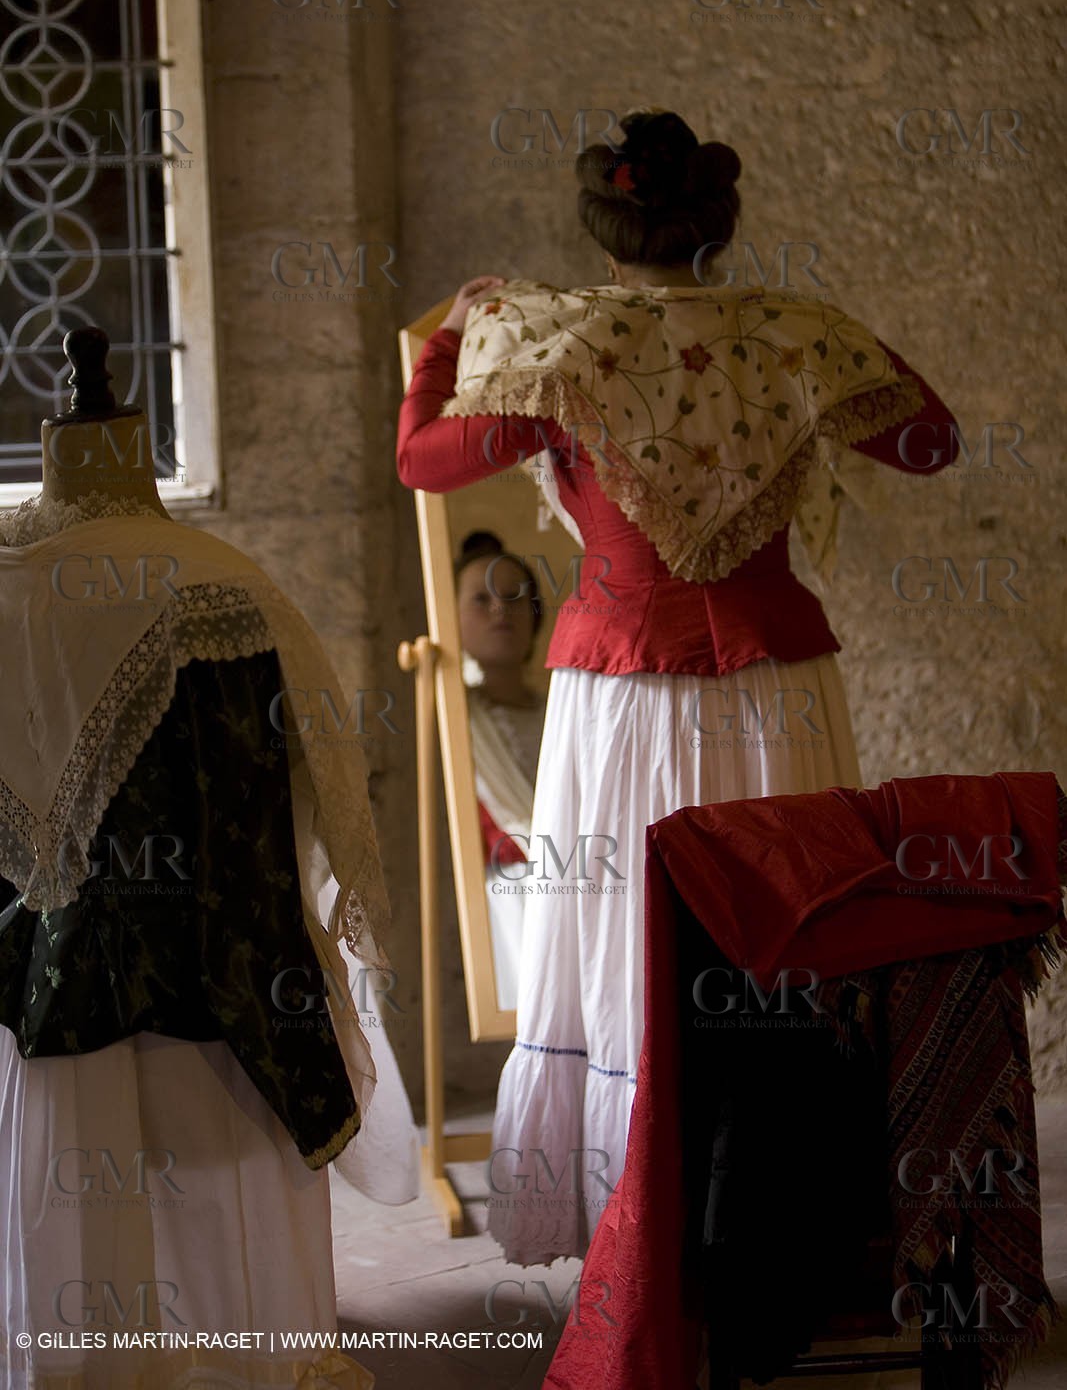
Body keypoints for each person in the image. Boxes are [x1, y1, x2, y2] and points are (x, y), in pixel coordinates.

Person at [396, 106, 958, 1266]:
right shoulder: (788, 333)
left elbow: (422, 460)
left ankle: (636, 1216)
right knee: (781, 934)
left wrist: (453, 337)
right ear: (718, 221)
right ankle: (782, 1211)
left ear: (605, 231)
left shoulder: (558, 345)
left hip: (618, 695)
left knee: (619, 943)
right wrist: (829, 334)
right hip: (776, 688)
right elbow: (929, 440)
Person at [454, 530, 547, 1010]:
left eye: (513, 597)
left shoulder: (563, 712)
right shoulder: (455, 722)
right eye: (481, 599)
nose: (499, 611)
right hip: (506, 902)